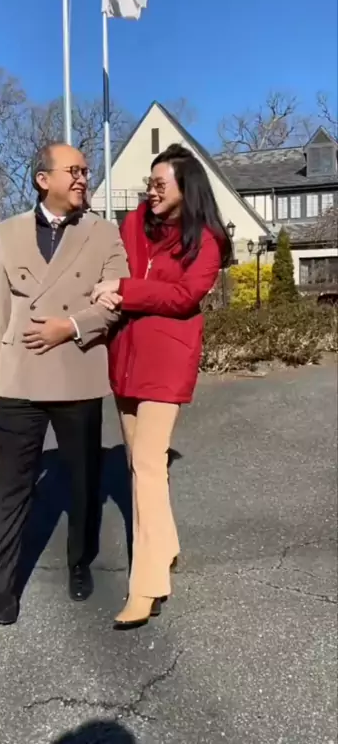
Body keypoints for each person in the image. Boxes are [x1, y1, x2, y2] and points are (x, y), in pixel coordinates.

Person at [0, 142, 129, 633]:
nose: (82, 178)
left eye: (86, 171)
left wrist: (69, 327)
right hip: (20, 376)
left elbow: (116, 301)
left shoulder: (103, 232)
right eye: (73, 170)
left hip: (77, 371)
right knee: (10, 488)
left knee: (83, 482)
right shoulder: (6, 232)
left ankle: (79, 560)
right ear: (42, 179)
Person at [92, 144, 233, 630]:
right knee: (141, 465)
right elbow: (112, 262)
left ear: (185, 189)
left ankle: (147, 586)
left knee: (148, 467)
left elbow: (183, 296)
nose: (150, 192)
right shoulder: (134, 224)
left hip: (167, 362)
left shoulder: (206, 241)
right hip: (125, 358)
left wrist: (125, 290)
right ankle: (167, 547)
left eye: (159, 185)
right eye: (148, 184)